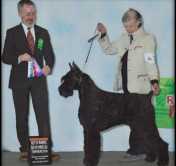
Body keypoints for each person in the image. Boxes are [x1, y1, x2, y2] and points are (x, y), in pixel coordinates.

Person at [97, 8, 160, 161]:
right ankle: (141, 150)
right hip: (126, 86)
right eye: (125, 26)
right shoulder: (124, 38)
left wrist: (154, 81)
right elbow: (109, 49)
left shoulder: (147, 38)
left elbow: (150, 62)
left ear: (139, 22)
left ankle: (139, 150)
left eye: (130, 26)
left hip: (141, 87)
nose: (128, 29)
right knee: (134, 120)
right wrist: (104, 35)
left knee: (141, 120)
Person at [2, 0, 59, 161]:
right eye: (27, 14)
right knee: (22, 116)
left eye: (33, 13)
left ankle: (46, 149)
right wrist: (19, 57)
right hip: (18, 82)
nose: (31, 17)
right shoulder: (12, 32)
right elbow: (5, 57)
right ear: (20, 13)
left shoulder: (43, 32)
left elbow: (50, 55)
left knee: (43, 115)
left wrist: (49, 66)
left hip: (38, 80)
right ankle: (25, 149)